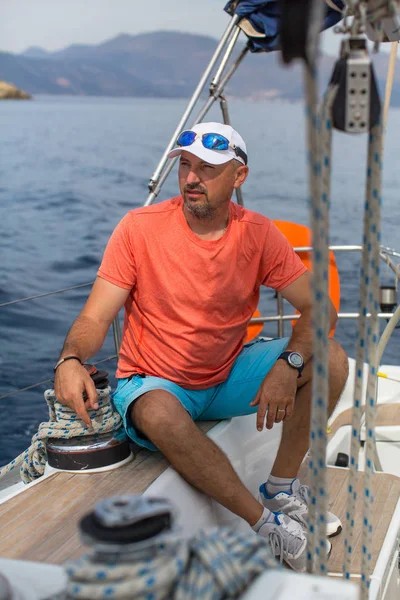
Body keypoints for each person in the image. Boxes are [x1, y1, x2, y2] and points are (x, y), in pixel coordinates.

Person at [54, 121, 349, 571]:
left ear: (239, 176)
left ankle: (282, 487)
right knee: (156, 412)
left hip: (225, 374)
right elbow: (96, 317)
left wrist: (289, 363)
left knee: (331, 359)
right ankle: (267, 525)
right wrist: (71, 358)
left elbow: (319, 307)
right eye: (186, 166)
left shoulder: (257, 234)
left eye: (208, 168)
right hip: (155, 382)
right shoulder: (139, 228)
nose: (192, 178)